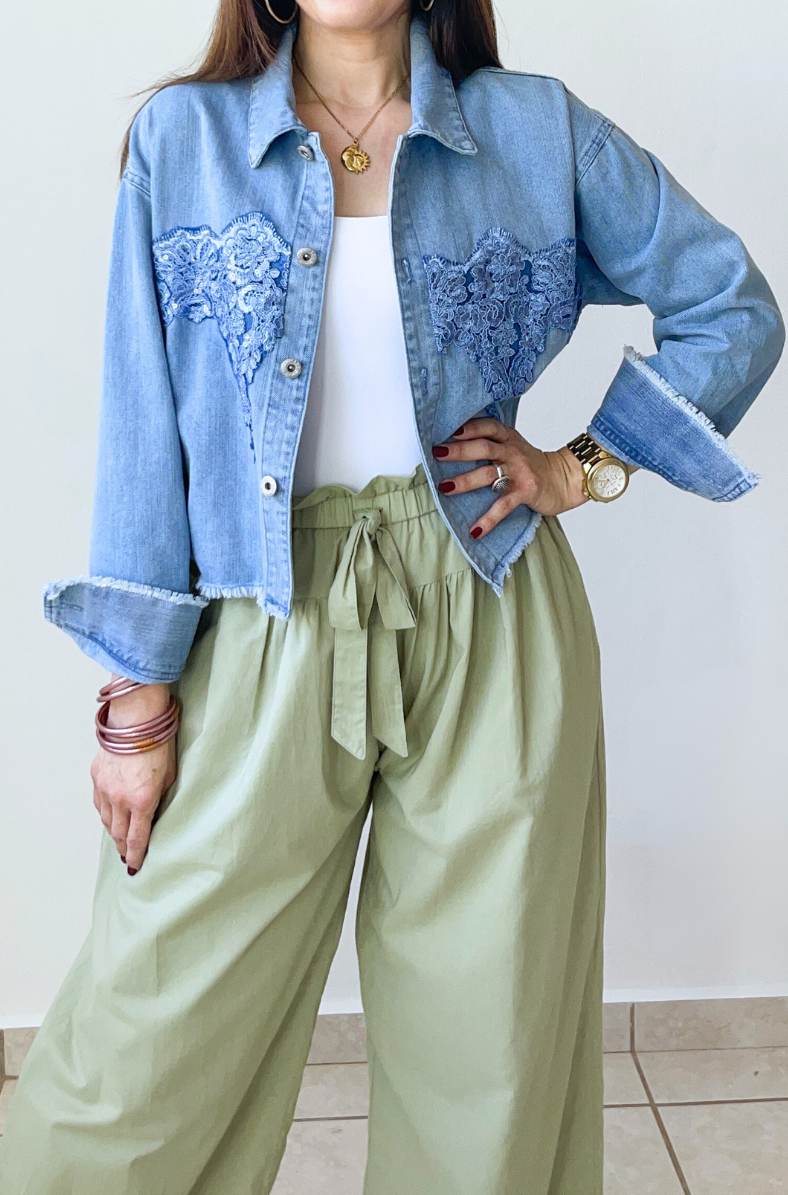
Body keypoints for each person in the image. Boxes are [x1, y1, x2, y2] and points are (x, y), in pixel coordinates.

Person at [1, 0, 783, 1192]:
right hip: (260, 613)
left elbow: (729, 304)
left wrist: (578, 467)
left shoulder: (535, 132)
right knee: (142, 1049)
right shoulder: (185, 139)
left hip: (486, 597)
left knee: (487, 1050)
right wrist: (135, 694)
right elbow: (142, 422)